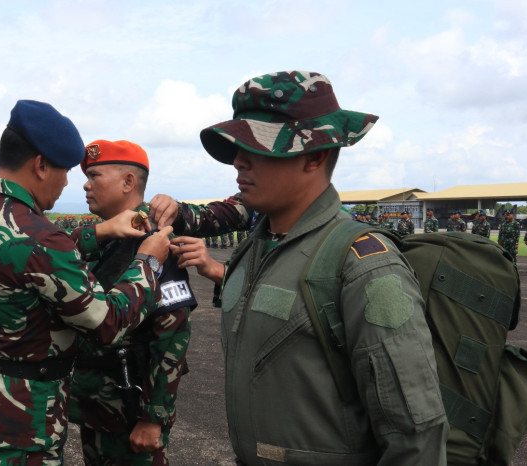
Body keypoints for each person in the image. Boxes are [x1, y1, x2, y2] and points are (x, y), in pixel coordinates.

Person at [149, 70, 447, 465]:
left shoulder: (364, 265)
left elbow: (415, 432)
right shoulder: (255, 249)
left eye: (257, 147)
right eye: (239, 147)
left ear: (315, 155)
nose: (238, 161)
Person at [0, 100, 173, 465]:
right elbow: (106, 322)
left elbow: (17, 251)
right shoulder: (41, 240)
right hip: (19, 416)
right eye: (65, 171)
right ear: (40, 165)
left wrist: (99, 231)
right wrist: (148, 261)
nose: (69, 182)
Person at [70, 139, 196, 465]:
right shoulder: (104, 238)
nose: (85, 184)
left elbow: (172, 333)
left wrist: (154, 417)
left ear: (128, 182)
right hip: (97, 407)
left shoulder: (152, 239)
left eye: (94, 176)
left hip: (130, 411)